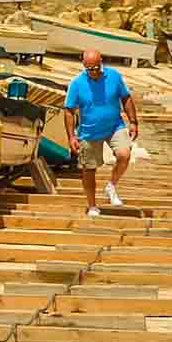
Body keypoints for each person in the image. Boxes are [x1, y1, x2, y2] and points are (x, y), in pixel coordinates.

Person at [63, 47, 139, 218]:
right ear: (84, 66)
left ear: (101, 62)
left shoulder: (114, 76)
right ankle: (92, 206)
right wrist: (71, 136)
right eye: (90, 69)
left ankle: (111, 185)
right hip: (89, 133)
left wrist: (133, 122)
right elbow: (69, 110)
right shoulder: (76, 84)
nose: (94, 72)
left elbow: (126, 98)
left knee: (124, 154)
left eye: (97, 67)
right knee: (89, 169)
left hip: (114, 126)